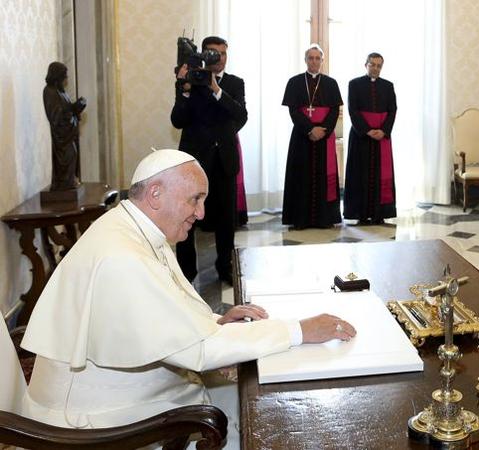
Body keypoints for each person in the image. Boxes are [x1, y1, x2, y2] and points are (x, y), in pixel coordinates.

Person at [20, 149, 356, 432]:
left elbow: (161, 309)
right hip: (98, 416)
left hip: (130, 390)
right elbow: (198, 351)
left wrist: (213, 321)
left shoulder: (138, 228)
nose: (201, 212)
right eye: (194, 199)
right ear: (155, 194)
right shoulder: (121, 255)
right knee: (274, 414)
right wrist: (300, 329)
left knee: (264, 393)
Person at [171, 35, 247, 284]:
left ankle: (225, 267)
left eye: (223, 54)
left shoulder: (235, 84)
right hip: (195, 161)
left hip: (224, 159)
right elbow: (177, 120)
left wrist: (216, 90)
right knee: (188, 218)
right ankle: (186, 271)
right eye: (213, 53)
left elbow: (241, 116)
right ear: (203, 54)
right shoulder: (192, 81)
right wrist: (183, 91)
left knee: (226, 220)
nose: (219, 58)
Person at [281, 44, 343, 229]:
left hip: (324, 137)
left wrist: (322, 130)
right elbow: (293, 111)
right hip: (302, 136)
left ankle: (325, 218)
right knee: (301, 176)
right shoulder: (294, 82)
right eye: (311, 58)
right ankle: (300, 218)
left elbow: (334, 111)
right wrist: (310, 129)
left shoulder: (331, 83)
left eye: (318, 58)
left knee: (325, 177)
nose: (314, 61)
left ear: (322, 61)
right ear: (305, 60)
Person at [343, 52, 397, 225]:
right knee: (360, 175)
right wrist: (366, 130)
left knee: (381, 176)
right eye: (372, 64)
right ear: (365, 65)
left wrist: (384, 130)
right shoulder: (354, 84)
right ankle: (360, 213)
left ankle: (379, 213)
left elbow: (392, 110)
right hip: (361, 137)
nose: (375, 68)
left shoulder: (388, 86)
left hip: (382, 137)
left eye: (378, 65)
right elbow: (353, 110)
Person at [43, 61, 86, 191]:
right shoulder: (49, 92)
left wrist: (76, 107)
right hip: (61, 138)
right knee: (68, 157)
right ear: (57, 75)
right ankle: (64, 183)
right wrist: (73, 111)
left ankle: (69, 181)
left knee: (73, 155)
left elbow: (67, 110)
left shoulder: (61, 92)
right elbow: (56, 117)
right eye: (64, 75)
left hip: (68, 135)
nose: (66, 78)